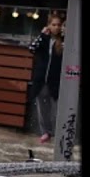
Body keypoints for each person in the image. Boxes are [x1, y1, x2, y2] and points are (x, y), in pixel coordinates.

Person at [29, 10, 65, 144]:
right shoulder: (44, 39)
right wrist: (42, 35)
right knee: (42, 108)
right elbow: (32, 48)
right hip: (41, 80)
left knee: (56, 109)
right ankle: (46, 132)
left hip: (56, 81)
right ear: (49, 25)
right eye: (54, 25)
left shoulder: (63, 41)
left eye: (58, 25)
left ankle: (59, 132)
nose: (56, 27)